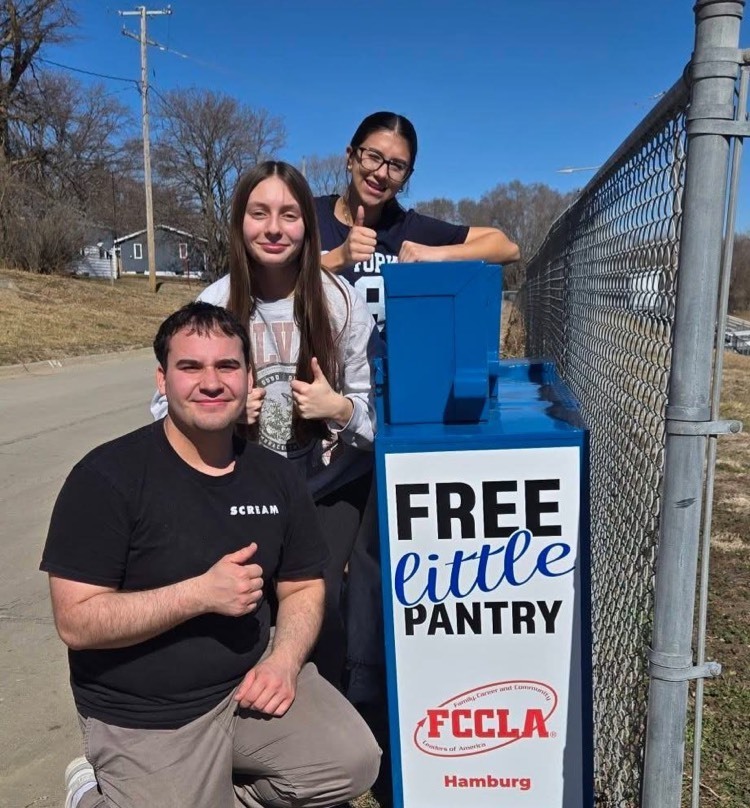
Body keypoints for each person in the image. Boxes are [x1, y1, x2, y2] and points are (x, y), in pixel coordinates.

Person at [42, 302, 380, 808]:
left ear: (248, 378)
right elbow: (77, 621)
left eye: (227, 366)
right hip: (148, 713)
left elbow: (304, 585)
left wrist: (285, 661)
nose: (212, 382)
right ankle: (91, 791)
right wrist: (199, 594)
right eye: (190, 367)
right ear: (162, 379)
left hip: (246, 686)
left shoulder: (277, 475)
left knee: (352, 762)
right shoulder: (106, 478)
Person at [151, 161, 380, 687]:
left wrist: (338, 410)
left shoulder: (340, 302)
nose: (274, 228)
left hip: (326, 489)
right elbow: (163, 412)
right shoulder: (210, 303)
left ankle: (329, 722)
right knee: (243, 608)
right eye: (259, 213)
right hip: (241, 485)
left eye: (289, 214)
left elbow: (378, 425)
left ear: (308, 225)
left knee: (320, 605)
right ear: (240, 221)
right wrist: (222, 423)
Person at [315, 110, 520, 331]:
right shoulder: (308, 216)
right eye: (373, 156)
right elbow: (275, 286)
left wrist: (432, 254)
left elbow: (506, 248)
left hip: (389, 365)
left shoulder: (409, 228)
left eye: (397, 166)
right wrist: (339, 258)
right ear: (350, 157)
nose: (382, 173)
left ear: (406, 178)